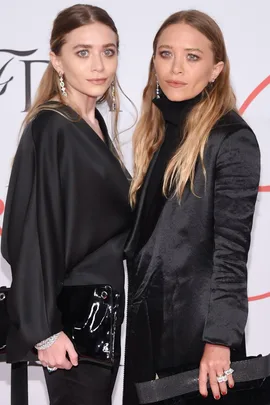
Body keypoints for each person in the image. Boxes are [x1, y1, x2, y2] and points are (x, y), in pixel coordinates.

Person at [123, 9, 264, 405]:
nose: (176, 68)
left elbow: (232, 253)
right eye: (165, 54)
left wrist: (220, 340)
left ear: (216, 69)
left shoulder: (231, 139)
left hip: (197, 338)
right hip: (147, 330)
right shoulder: (157, 134)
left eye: (192, 57)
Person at [1, 4, 131, 405]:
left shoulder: (95, 124)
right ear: (56, 59)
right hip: (73, 320)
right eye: (83, 52)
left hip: (102, 311)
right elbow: (30, 232)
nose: (99, 65)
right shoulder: (52, 126)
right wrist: (44, 330)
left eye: (108, 51)